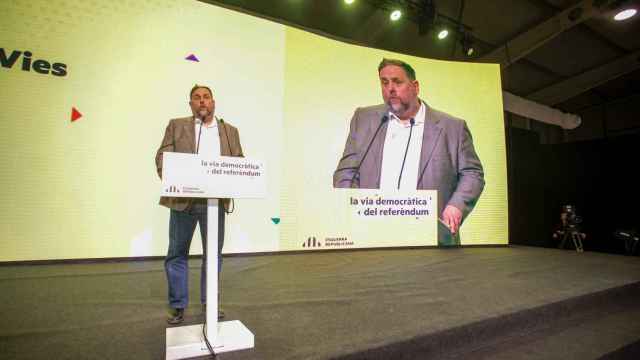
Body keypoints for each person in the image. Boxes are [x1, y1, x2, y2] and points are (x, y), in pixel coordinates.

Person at [333, 58, 484, 245]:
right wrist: (355, 208)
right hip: (372, 236)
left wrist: (456, 206)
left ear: (415, 87)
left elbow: (473, 173)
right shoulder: (363, 119)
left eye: (397, 82)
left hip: (431, 238)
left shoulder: (452, 127)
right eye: (384, 82)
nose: (390, 88)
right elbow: (346, 172)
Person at [155, 85, 244, 324]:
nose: (202, 101)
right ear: (190, 104)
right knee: (177, 254)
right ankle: (178, 305)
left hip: (215, 203)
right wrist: (174, 179)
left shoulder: (229, 131)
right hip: (184, 201)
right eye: (197, 98)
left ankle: (210, 304)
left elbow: (238, 162)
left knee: (213, 255)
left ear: (213, 102)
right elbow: (162, 157)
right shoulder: (177, 125)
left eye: (206, 97)